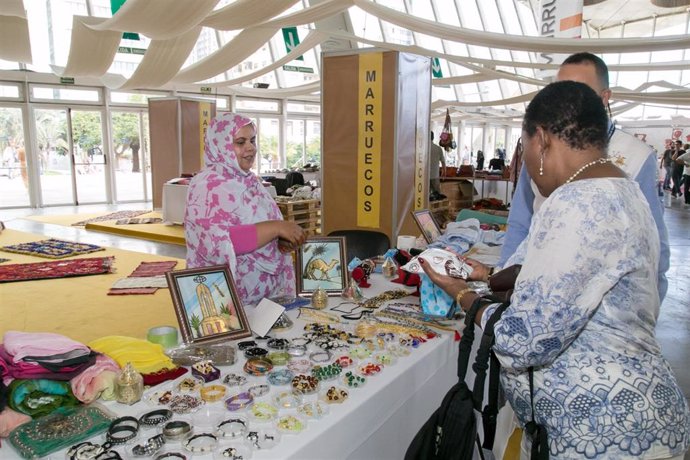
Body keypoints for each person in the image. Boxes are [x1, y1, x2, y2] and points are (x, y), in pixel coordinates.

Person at [421, 81, 689, 459]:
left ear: (542, 140)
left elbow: (523, 341)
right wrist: (486, 275)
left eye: (524, 147)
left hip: (603, 431)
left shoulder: (576, 203)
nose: (526, 163)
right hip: (639, 415)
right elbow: (572, 275)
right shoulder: (621, 189)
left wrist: (463, 297)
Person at [500, 52, 670, 303]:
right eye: (559, 90)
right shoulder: (540, 148)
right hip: (537, 284)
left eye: (579, 91)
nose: (565, 101)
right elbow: (520, 221)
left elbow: (654, 248)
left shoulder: (637, 156)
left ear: (604, 98)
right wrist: (502, 281)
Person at [185, 113, 307, 307]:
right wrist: (276, 228)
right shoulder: (207, 186)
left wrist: (280, 242)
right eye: (240, 142)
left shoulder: (249, 181)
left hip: (264, 298)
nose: (250, 147)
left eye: (252, 140)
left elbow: (259, 230)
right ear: (221, 146)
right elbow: (219, 243)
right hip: (228, 301)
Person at [429, 131, 446, 200]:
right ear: (433, 138)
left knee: (425, 196)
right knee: (437, 196)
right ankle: (437, 210)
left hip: (424, 176)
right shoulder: (438, 148)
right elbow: (443, 162)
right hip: (435, 175)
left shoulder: (422, 148)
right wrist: (444, 172)